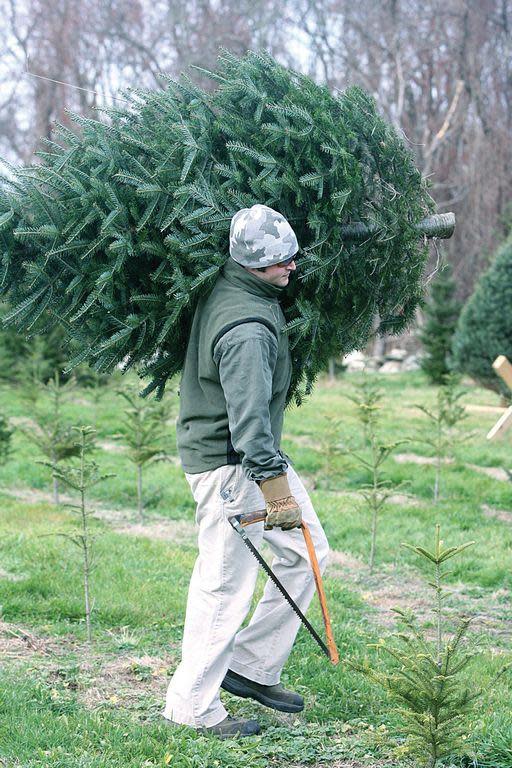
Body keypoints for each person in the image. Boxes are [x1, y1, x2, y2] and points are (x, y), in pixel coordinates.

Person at [163, 204, 330, 739]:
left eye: (292, 257)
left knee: (304, 553)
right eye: (281, 263)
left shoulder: (241, 287)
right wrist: (270, 485)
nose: (292, 268)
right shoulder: (248, 329)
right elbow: (249, 423)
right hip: (237, 472)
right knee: (224, 584)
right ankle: (192, 707)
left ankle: (251, 667)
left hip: (255, 464)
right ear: (254, 265)